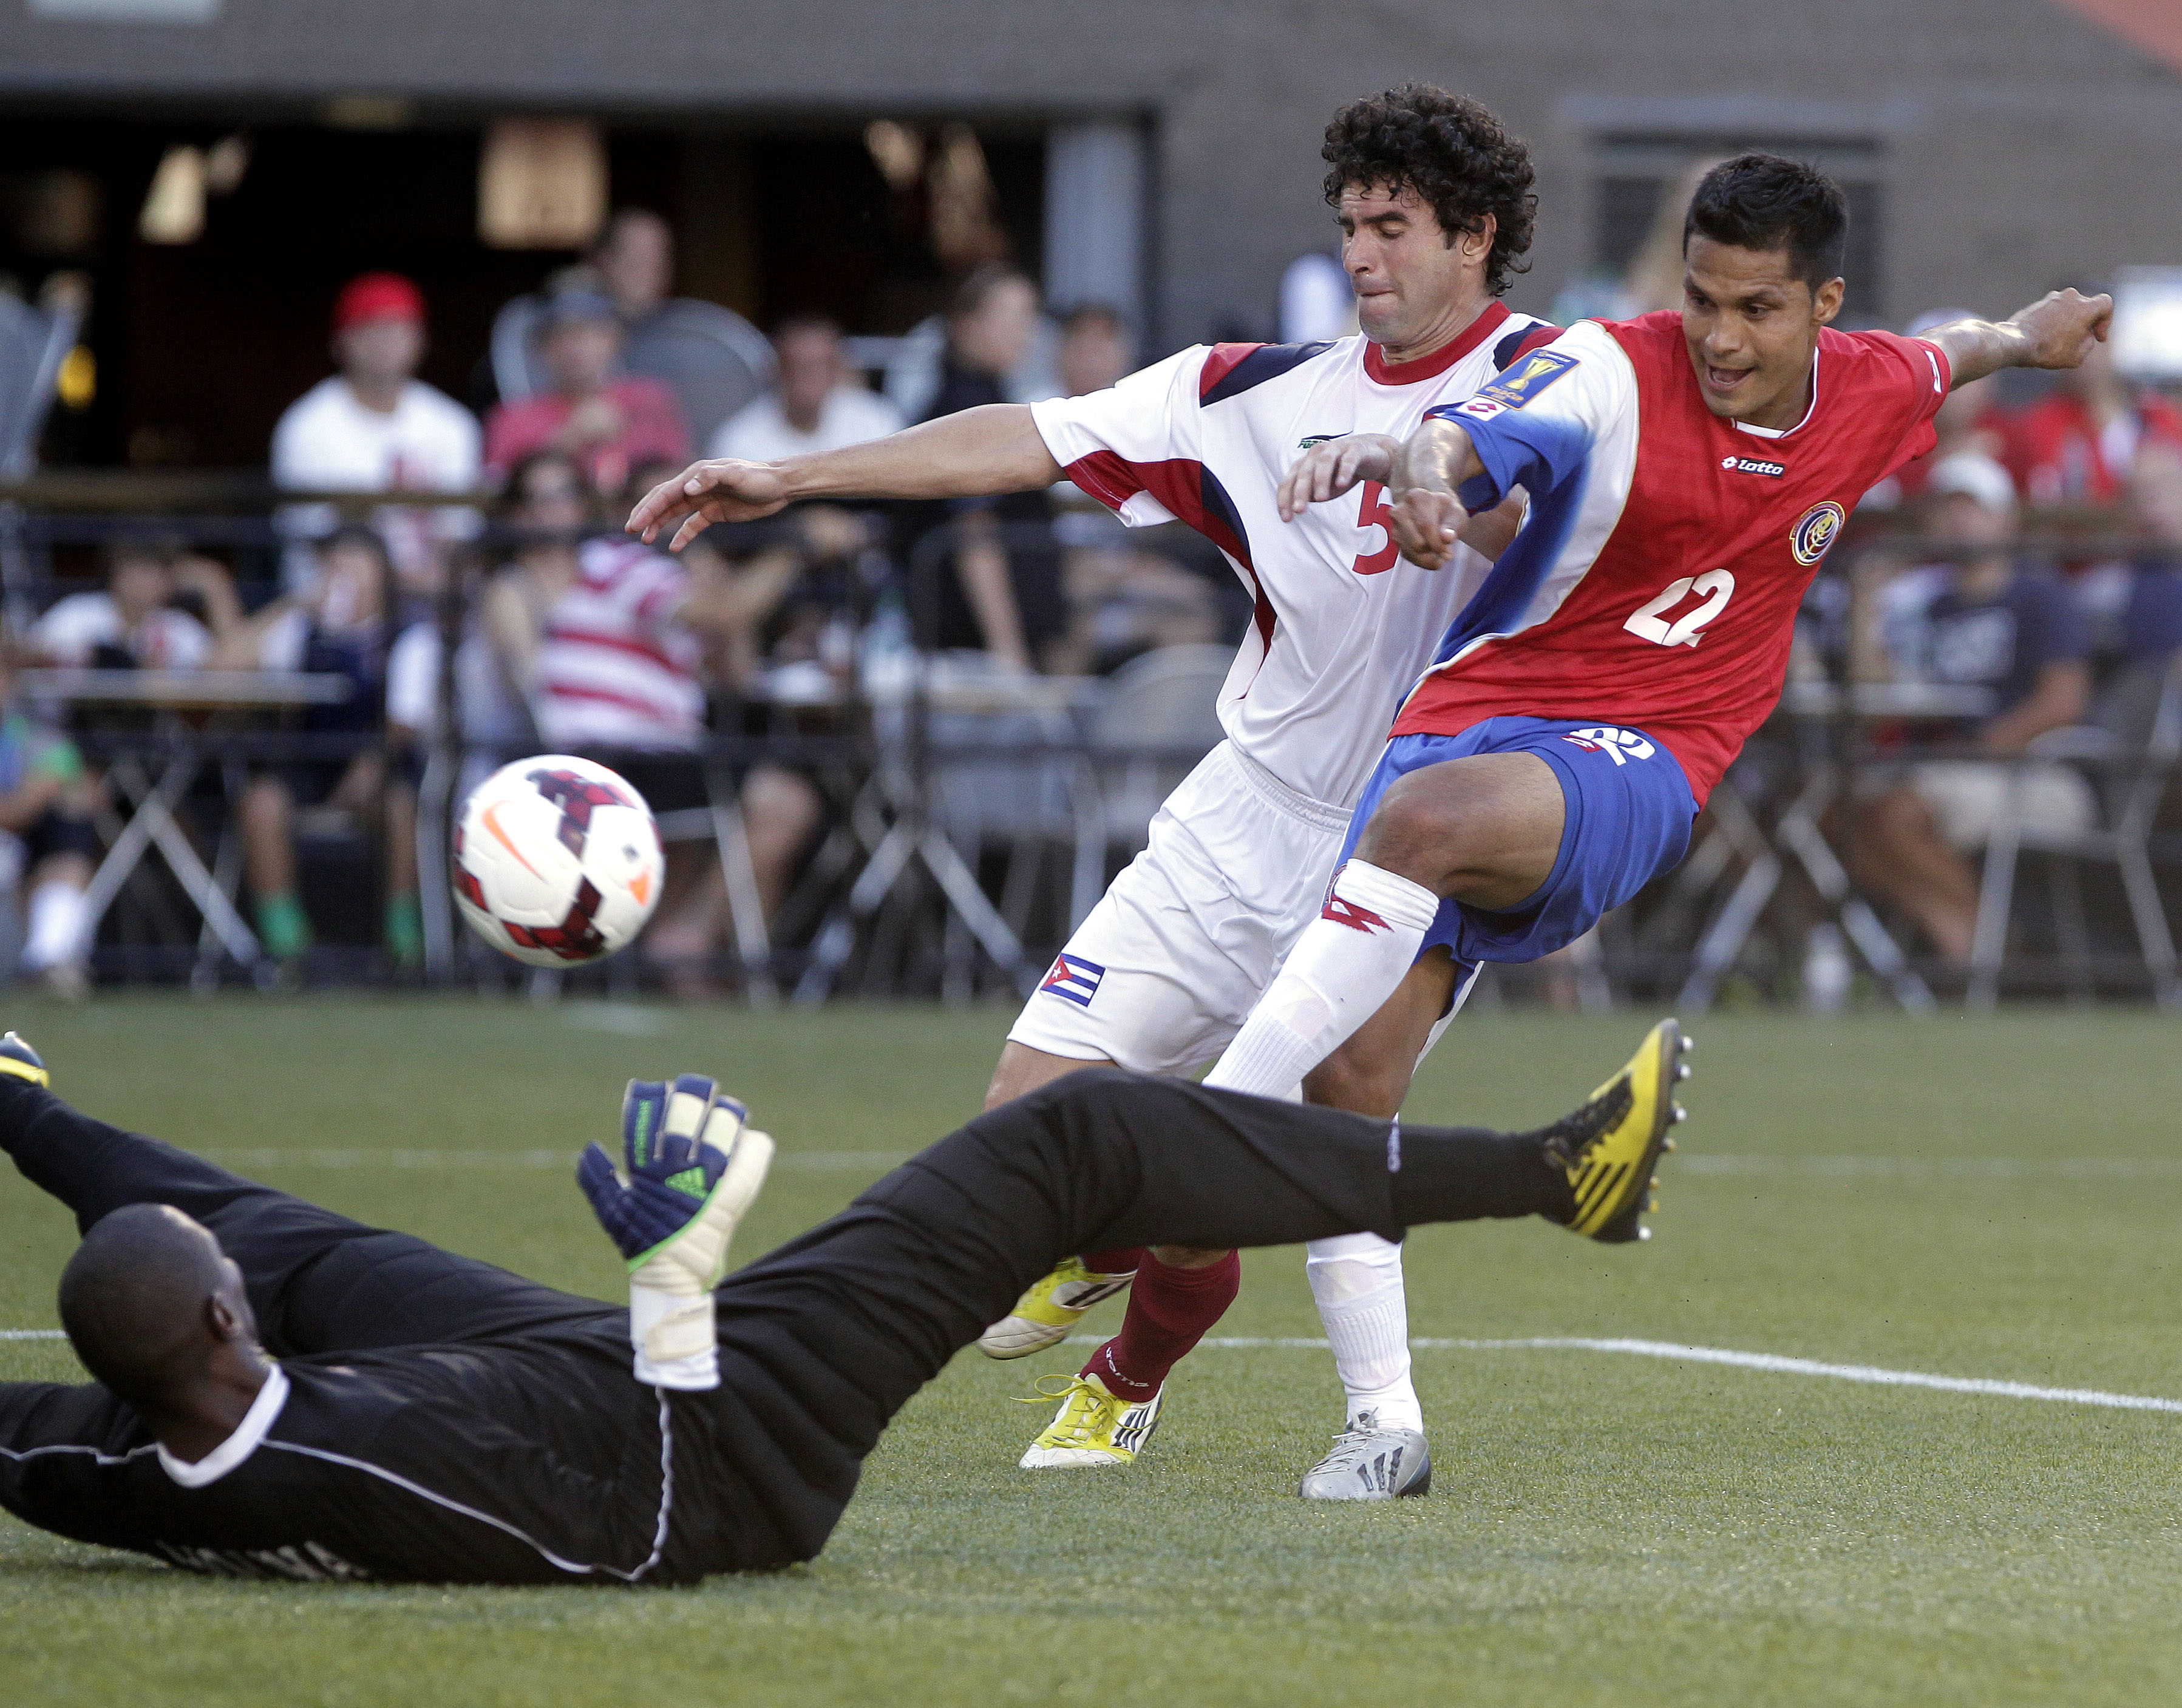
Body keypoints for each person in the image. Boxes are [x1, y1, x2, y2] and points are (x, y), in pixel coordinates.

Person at [630, 83, 1556, 1495]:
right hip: (1240, 815)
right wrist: (792, 477)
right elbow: (1025, 433)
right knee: (1024, 1130)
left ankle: (1173, 1383)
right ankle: (1110, 1257)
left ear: (1475, 236)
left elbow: (1622, 510)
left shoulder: (1563, 384)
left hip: (1409, 844)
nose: (1361, 256)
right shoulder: (1248, 395)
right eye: (1350, 227)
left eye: (1392, 228)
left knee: (1275, 1154)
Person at [1182, 160, 2113, 1267]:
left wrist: (2025, 332)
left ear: (1822, 306)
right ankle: (1266, 1393)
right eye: (1701, 299)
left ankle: (1181, 1135)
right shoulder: (1608, 367)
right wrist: (1425, 475)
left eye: (1755, 309)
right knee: (1346, 1092)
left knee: (1425, 824)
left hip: (1646, 751)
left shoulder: (1869, 383)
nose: (1717, 337)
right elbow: (1459, 437)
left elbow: (1953, 352)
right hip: (1478, 711)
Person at [0, 1018, 1687, 1583]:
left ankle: (22, 1100)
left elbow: (54, 1413)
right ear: (231, 1340)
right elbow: (649, 1502)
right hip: (734, 1452)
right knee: (1077, 1131)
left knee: (298, 1236)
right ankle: (1551, 1172)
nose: (236, 1289)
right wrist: (681, 1247)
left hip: (598, 1388)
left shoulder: (130, 1451)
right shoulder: (387, 1445)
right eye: (228, 1297)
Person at [214, 527, 420, 971]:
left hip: (372, 765)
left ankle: (401, 940)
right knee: (261, 805)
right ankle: (287, 946)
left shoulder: (406, 637)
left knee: (399, 807)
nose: (344, 577)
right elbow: (226, 664)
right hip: (306, 763)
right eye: (333, 565)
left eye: (355, 564)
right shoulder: (300, 628)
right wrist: (294, 604)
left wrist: (365, 775)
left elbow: (401, 725)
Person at [271, 273, 482, 595]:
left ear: (420, 341)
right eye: (370, 330)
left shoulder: (451, 423)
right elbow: (314, 542)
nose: (385, 344)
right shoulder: (306, 425)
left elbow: (460, 536)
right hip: (332, 605)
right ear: (341, 343)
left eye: (398, 331)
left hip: (433, 602)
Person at [484, 288, 689, 500]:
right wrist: (564, 442)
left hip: (640, 526)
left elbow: (677, 472)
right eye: (562, 336)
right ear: (542, 349)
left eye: (590, 334)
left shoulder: (649, 399)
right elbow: (497, 494)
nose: (576, 349)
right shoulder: (513, 417)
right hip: (558, 532)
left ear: (614, 340)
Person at [1999, 297, 2182, 509]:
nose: (2089, 347)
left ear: (2115, 339)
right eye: (2074, 336)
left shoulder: (2159, 415)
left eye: (2097, 333)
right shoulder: (2038, 426)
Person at [0, 651, 98, 997]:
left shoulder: (41, 738)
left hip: (18, 860)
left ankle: (48, 961)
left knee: (70, 825)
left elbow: (23, 810)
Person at [709, 315, 902, 464]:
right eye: (802, 368)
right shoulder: (739, 440)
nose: (812, 379)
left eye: (822, 366)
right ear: (779, 371)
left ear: (838, 370)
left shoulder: (876, 422)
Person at [30, 540, 212, 671]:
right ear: (117, 572)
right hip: (68, 723)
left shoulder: (179, 626)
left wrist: (216, 587)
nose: (146, 582)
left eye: (157, 573)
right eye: (139, 570)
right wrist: (82, 656)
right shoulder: (77, 612)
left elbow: (219, 669)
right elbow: (27, 653)